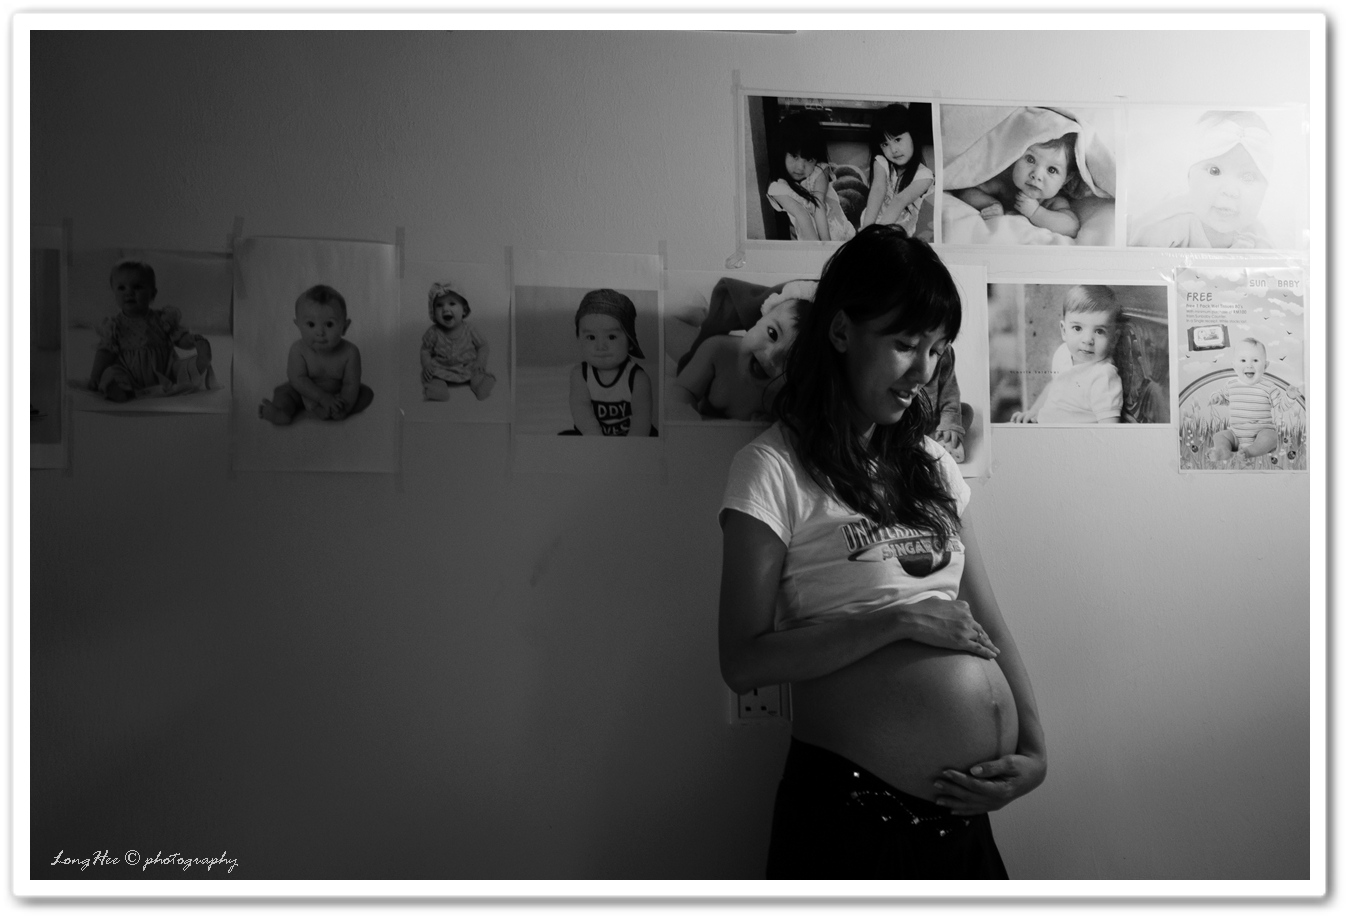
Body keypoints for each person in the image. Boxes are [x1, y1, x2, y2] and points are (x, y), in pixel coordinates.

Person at [718, 225, 1046, 878]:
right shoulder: (771, 469)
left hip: (962, 822)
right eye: (904, 345)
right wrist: (897, 620)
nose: (923, 372)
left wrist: (1035, 749)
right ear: (841, 332)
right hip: (849, 821)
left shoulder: (933, 464)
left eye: (936, 349)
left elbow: (985, 619)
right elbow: (743, 660)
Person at [1128, 111, 1273, 249]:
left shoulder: (1257, 235)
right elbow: (1131, 260)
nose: (1230, 191)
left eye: (1248, 177)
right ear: (1190, 177)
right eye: (1214, 171)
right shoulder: (1165, 227)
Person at [86, 261, 215, 402]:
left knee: (181, 368)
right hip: (129, 373)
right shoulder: (114, 325)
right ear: (114, 294)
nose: (129, 292)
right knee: (111, 372)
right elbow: (105, 352)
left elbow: (178, 337)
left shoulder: (162, 319)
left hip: (166, 371)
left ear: (152, 294)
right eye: (121, 288)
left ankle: (201, 361)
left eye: (137, 287)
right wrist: (95, 375)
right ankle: (119, 389)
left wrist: (192, 340)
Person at [672, 292, 808, 421]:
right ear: (760, 318)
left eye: (791, 360)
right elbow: (684, 389)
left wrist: (767, 425)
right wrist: (686, 414)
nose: (770, 356)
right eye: (773, 333)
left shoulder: (785, 397)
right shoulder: (718, 350)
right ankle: (697, 314)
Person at [258, 284, 374, 425]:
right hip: (303, 393)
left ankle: (334, 411)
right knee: (284, 392)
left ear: (345, 327)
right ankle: (281, 412)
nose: (320, 332)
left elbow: (351, 384)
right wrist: (322, 398)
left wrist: (344, 405)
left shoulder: (350, 352)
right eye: (311, 324)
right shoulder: (298, 350)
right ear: (298, 325)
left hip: (337, 394)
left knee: (366, 394)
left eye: (329, 324)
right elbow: (297, 379)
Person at [1010, 285, 1123, 425]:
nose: (1087, 340)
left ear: (1114, 339)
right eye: (1077, 328)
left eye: (1099, 331)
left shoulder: (1103, 376)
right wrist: (1033, 412)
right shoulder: (1063, 352)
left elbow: (1109, 430)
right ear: (1064, 331)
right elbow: (1054, 386)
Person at [950, 133, 1082, 239]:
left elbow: (1071, 227)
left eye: (1052, 170)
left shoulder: (1054, 202)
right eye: (1030, 159)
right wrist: (990, 203)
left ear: (1066, 179)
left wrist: (1036, 212)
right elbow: (966, 190)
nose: (1036, 175)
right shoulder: (1005, 186)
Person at [563, 288, 654, 437]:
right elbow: (580, 409)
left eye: (611, 337)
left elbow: (642, 418)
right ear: (579, 339)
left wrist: (632, 445)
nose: (600, 346)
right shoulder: (580, 374)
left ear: (630, 342)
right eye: (591, 337)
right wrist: (595, 438)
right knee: (566, 438)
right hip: (592, 435)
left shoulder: (637, 378)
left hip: (628, 437)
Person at [766, 111, 857, 242]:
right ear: (781, 151)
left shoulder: (819, 170)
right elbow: (802, 215)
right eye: (794, 156)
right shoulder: (778, 188)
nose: (800, 167)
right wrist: (819, 250)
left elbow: (818, 205)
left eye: (808, 159)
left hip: (842, 236)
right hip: (812, 243)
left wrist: (826, 245)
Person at [1208, 338, 1299, 461]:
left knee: (1271, 437)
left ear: (1265, 366)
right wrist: (1217, 398)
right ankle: (1223, 451)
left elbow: (1280, 406)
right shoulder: (1231, 385)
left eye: (1255, 360)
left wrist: (1290, 396)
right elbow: (1225, 398)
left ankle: (1248, 452)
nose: (1249, 365)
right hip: (1236, 436)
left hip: (1260, 434)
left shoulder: (1269, 387)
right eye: (1243, 360)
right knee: (1219, 436)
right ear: (1234, 366)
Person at [859, 104, 934, 236]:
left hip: (900, 232)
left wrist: (878, 234)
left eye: (898, 140)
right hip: (872, 223)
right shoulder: (881, 162)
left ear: (913, 135)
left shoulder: (924, 176)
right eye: (885, 144)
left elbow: (900, 200)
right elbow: (878, 189)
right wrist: (867, 230)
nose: (893, 150)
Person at [421, 282, 495, 401]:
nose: (445, 309)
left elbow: (483, 346)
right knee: (431, 377)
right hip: (442, 367)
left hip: (467, 366)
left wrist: (480, 362)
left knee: (477, 375)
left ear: (464, 310)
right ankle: (438, 390)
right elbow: (425, 350)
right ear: (433, 312)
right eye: (439, 305)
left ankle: (480, 386)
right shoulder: (433, 332)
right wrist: (427, 365)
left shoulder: (470, 330)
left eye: (452, 303)